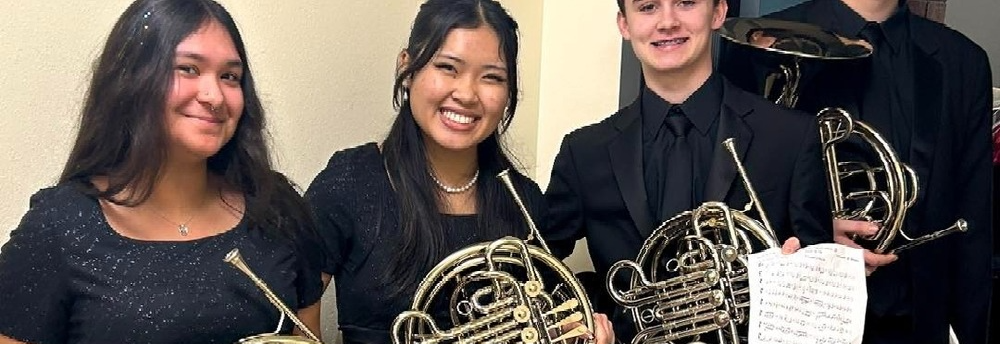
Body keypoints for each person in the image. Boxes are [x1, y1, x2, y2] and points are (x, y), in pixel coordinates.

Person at [0, 0, 325, 343]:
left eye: (230, 76)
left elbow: (307, 337)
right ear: (131, 80)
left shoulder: (277, 207)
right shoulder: (59, 225)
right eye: (188, 69)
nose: (215, 95)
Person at [304, 1, 614, 343]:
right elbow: (297, 325)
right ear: (407, 68)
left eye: (492, 77)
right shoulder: (350, 182)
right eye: (448, 67)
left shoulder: (523, 201)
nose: (466, 94)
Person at [543, 0, 833, 340]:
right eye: (648, 7)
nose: (667, 22)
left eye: (686, 3)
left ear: (719, 12)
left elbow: (818, 290)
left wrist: (807, 276)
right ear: (624, 24)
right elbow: (538, 271)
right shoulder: (584, 152)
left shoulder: (791, 136)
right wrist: (585, 316)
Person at [720, 0, 993, 343]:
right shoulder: (757, 42)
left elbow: (974, 223)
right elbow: (730, 195)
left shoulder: (963, 61)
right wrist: (815, 228)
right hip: (799, 319)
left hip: (915, 325)